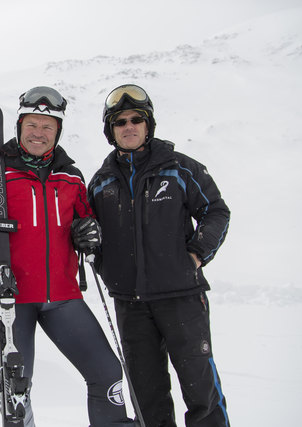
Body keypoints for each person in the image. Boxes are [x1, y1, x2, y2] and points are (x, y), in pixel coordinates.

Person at [0, 86, 135, 427]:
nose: (39, 133)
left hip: (63, 297)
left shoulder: (70, 176)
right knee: (16, 389)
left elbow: (87, 223)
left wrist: (88, 232)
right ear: (19, 126)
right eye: (32, 124)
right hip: (11, 300)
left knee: (107, 374)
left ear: (58, 132)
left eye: (48, 126)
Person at [87, 83, 231, 427]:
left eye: (137, 119)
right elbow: (88, 234)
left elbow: (216, 212)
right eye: (120, 122)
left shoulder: (180, 168)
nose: (129, 126)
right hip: (130, 305)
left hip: (182, 298)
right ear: (111, 131)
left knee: (201, 392)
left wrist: (196, 253)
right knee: (147, 397)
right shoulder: (100, 183)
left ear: (149, 125)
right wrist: (105, 265)